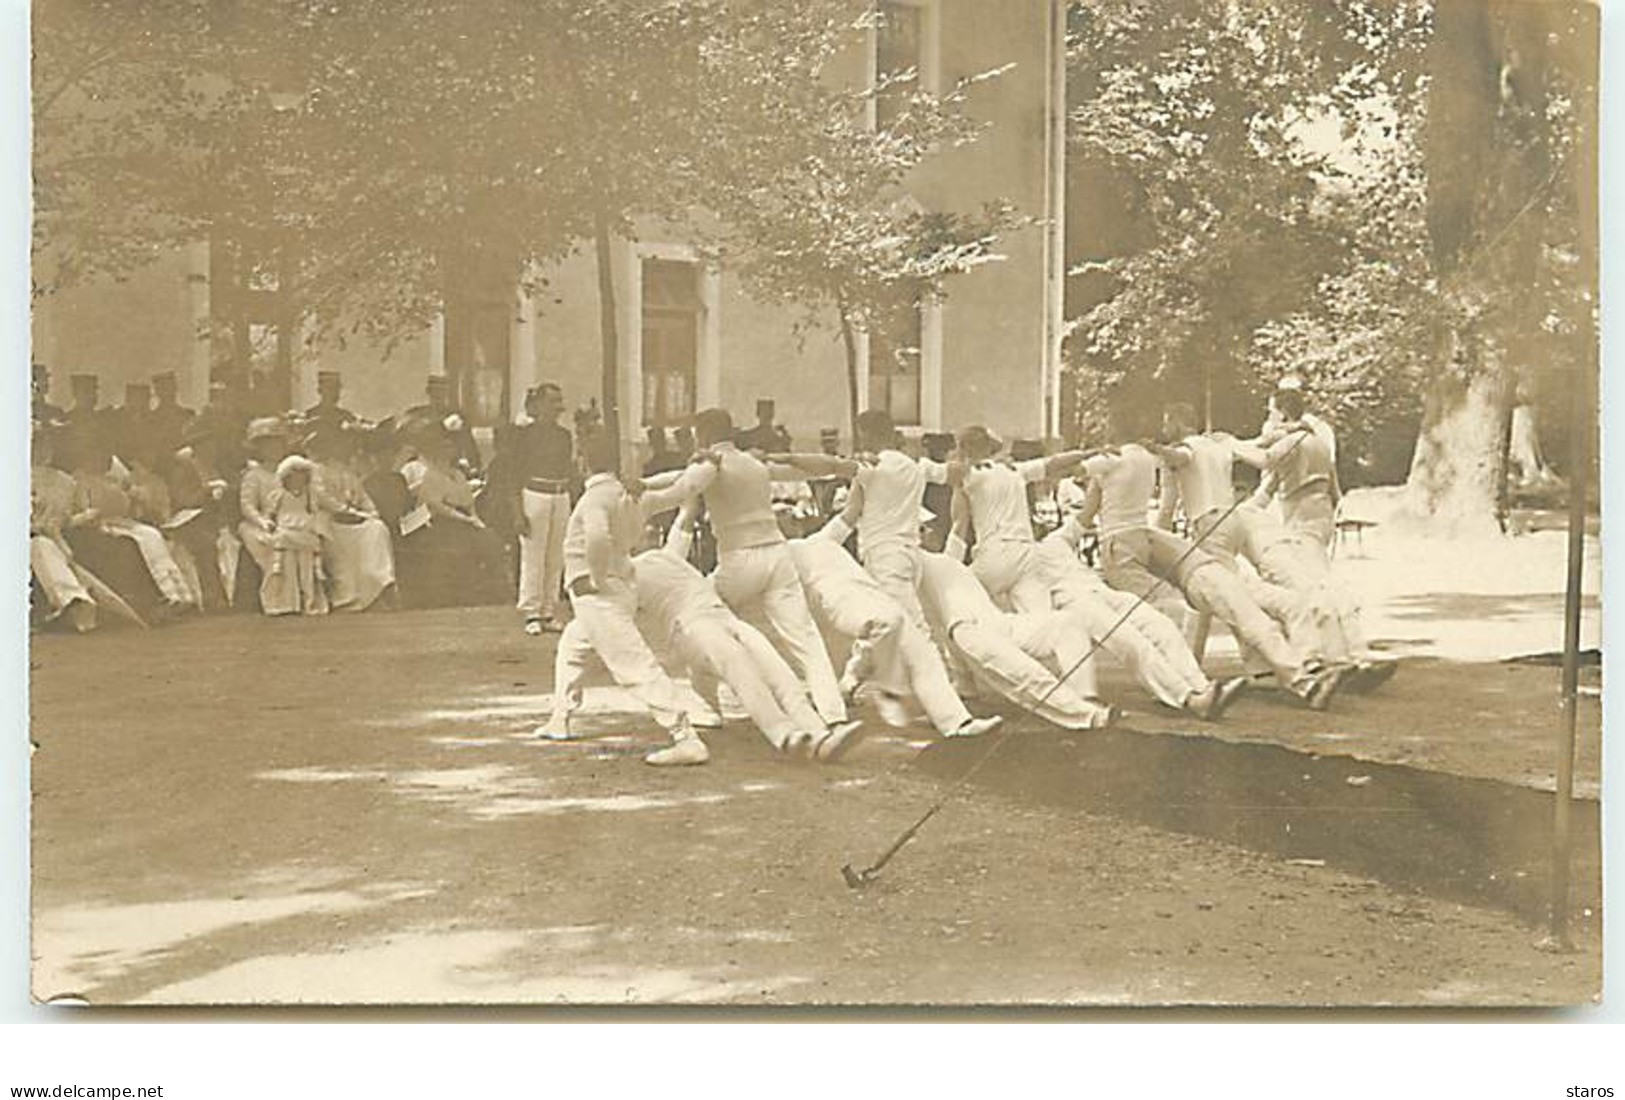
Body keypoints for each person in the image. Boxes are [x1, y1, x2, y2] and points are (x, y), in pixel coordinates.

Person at [1080, 406, 1339, 709]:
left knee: (1232, 598)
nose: (1161, 427)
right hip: (1154, 539)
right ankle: (1210, 679)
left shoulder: (1171, 452)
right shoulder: (1202, 445)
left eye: (1166, 422)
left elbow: (1180, 461)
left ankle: (1297, 675)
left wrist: (1156, 450)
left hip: (1190, 529)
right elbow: (1259, 447)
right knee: (1195, 610)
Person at [662, 407, 859, 743]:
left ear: (703, 435)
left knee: (699, 618)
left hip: (739, 559)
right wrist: (844, 465)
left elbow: (679, 488)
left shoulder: (711, 464)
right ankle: (833, 714)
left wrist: (634, 493)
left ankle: (706, 706)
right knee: (806, 638)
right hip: (778, 555)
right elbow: (814, 470)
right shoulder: (754, 462)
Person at [535, 437, 717, 767]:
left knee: (634, 665)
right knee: (573, 647)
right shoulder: (629, 495)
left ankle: (685, 736)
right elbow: (681, 489)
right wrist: (706, 467)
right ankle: (560, 717)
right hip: (618, 589)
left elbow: (597, 537)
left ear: (581, 462)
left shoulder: (594, 499)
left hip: (598, 594)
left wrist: (596, 576)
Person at [634, 512, 865, 761]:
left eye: (653, 528)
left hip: (725, 619)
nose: (652, 531)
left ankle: (819, 734)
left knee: (779, 672)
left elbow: (686, 517)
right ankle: (784, 736)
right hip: (692, 629)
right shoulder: (625, 574)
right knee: (745, 676)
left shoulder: (669, 554)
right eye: (645, 529)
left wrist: (698, 481)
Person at [787, 512, 1002, 739]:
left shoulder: (821, 539)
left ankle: (956, 723)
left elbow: (851, 512)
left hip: (872, 592)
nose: (792, 519)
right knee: (885, 624)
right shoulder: (781, 553)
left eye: (790, 516)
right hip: (836, 600)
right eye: (783, 515)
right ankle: (886, 691)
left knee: (916, 645)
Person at [1037, 515, 1246, 719]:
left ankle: (1203, 687)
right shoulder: (1021, 557)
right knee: (1132, 641)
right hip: (1072, 602)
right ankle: (1189, 698)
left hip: (1102, 591)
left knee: (1161, 626)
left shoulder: (1056, 540)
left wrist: (1100, 481)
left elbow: (1085, 514)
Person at [916, 551, 1118, 730]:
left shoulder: (944, 561)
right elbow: (934, 636)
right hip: (969, 631)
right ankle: (1088, 716)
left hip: (999, 624)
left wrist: (963, 686)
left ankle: (1084, 696)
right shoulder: (902, 567)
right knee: (1024, 674)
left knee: (1068, 623)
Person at [947, 425, 1089, 614]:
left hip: (994, 554)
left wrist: (948, 565)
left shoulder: (968, 476)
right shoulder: (1015, 470)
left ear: (964, 449)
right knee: (1041, 618)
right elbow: (1053, 463)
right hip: (1026, 554)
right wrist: (1089, 453)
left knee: (960, 600)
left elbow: (960, 524)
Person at [398, 422, 511, 607]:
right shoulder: (430, 474)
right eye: (445, 447)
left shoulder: (458, 474)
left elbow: (468, 502)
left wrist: (475, 519)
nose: (450, 451)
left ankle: (495, 592)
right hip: (439, 522)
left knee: (490, 539)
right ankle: (457, 594)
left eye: (451, 447)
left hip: (463, 520)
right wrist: (466, 519)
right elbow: (436, 506)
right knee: (458, 544)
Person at [509, 383, 574, 634]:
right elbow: (513, 475)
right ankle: (531, 612)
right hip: (534, 495)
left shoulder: (563, 436)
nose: (557, 407)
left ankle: (548, 610)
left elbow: (567, 470)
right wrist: (517, 511)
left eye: (559, 401)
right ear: (538, 406)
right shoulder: (523, 436)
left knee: (555, 555)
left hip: (560, 496)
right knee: (533, 554)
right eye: (552, 402)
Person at [309, 427, 397, 611]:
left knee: (376, 527)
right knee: (325, 529)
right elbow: (322, 497)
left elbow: (364, 498)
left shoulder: (347, 471)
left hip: (353, 521)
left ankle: (379, 580)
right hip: (331, 520)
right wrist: (349, 512)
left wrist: (370, 513)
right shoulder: (316, 470)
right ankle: (346, 597)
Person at [1255, 382, 1339, 551]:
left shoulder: (1289, 441)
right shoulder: (1319, 439)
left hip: (1299, 521)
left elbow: (1262, 459)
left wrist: (1227, 446)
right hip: (1323, 517)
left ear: (1283, 413)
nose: (1269, 416)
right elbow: (1335, 493)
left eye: (1271, 411)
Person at [29, 428, 97, 632]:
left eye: (45, 446)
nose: (41, 452)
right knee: (41, 545)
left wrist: (85, 517)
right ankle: (74, 601)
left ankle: (74, 602)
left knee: (43, 546)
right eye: (36, 446)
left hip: (51, 536)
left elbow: (67, 518)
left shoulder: (65, 482)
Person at [260, 454, 330, 616]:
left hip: (305, 533)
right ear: (286, 478)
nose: (297, 480)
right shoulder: (278, 495)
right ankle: (284, 603)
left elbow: (315, 511)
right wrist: (267, 523)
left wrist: (316, 526)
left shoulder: (309, 495)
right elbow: (268, 513)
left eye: (301, 476)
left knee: (307, 571)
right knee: (286, 567)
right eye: (294, 477)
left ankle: (309, 602)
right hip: (286, 532)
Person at [148, 371, 195, 455]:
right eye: (164, 389)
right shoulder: (151, 418)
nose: (168, 393)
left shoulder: (187, 415)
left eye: (170, 388)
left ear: (175, 389)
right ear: (158, 392)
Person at [303, 370, 358, 434]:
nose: (333, 393)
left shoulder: (347, 417)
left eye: (336, 389)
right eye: (329, 388)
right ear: (319, 390)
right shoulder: (309, 416)